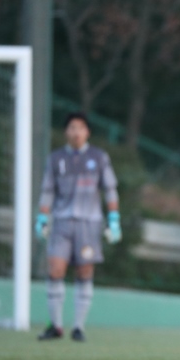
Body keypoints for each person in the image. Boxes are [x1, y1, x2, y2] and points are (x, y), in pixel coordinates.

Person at [35, 112, 121, 342]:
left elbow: (110, 189)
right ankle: (55, 325)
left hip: (89, 224)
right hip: (62, 222)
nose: (76, 132)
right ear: (66, 131)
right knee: (55, 269)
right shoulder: (56, 159)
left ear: (87, 132)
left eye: (80, 128)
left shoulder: (99, 157)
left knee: (84, 272)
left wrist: (114, 218)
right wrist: (42, 217)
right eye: (72, 128)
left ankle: (78, 327)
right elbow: (47, 191)